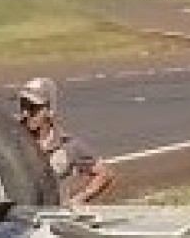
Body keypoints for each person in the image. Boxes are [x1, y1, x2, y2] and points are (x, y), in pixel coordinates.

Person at [16, 76, 116, 205]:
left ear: (50, 110)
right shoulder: (9, 138)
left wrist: (80, 198)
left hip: (53, 217)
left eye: (33, 108)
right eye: (23, 106)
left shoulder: (68, 145)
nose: (25, 113)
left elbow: (105, 174)